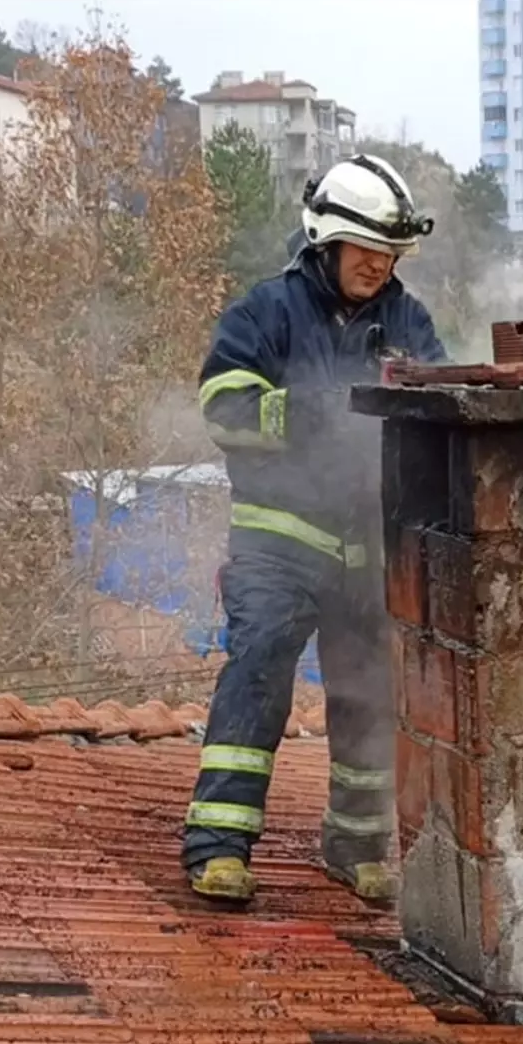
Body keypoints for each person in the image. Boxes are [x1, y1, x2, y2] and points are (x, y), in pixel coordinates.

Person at [183, 155, 446, 904]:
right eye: (365, 248)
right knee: (259, 669)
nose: (379, 264)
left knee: (369, 690)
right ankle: (218, 846)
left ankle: (356, 843)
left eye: (389, 251)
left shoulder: (409, 321)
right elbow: (223, 407)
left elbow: (437, 405)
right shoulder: (265, 312)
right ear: (326, 241)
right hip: (276, 541)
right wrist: (308, 412)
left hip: (365, 542)